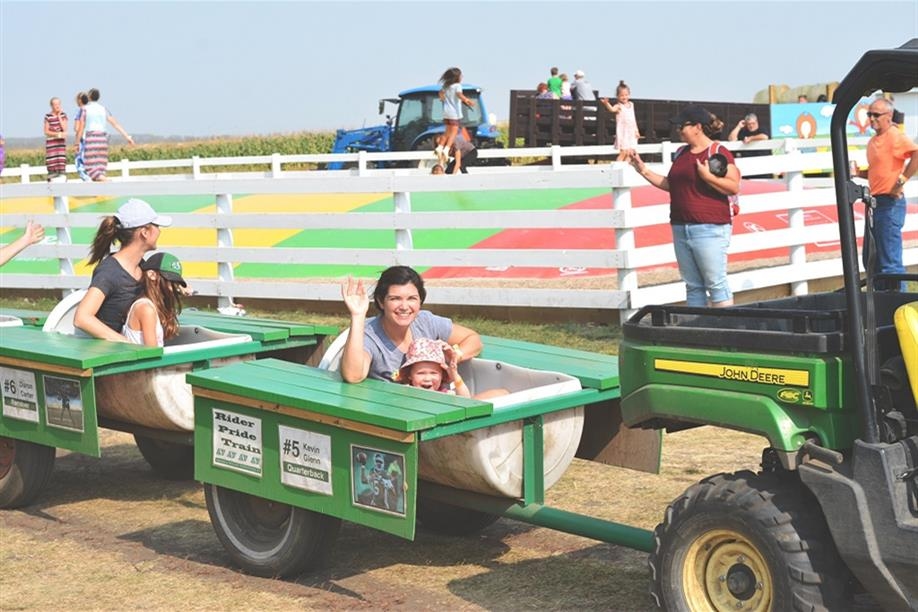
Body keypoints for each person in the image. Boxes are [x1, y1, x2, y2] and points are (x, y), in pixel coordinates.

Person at [625, 104, 740, 308]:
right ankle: (696, 332)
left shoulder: (717, 152)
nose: (678, 130)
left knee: (716, 284)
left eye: (682, 126)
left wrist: (707, 177)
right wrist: (642, 170)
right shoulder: (681, 153)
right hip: (681, 226)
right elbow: (672, 185)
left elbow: (733, 186)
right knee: (693, 285)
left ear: (697, 126)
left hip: (710, 227)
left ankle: (725, 331)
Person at [339, 265, 483, 384]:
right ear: (381, 302)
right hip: (394, 410)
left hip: (435, 403)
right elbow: (353, 376)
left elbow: (473, 339)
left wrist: (455, 356)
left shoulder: (425, 321)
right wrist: (358, 315)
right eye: (395, 299)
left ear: (420, 301)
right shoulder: (369, 334)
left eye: (412, 298)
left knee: (498, 393)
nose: (404, 306)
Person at [74, 199, 172, 341]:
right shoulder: (109, 272)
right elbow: (82, 318)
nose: (159, 231)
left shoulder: (140, 266)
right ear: (144, 232)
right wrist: (125, 343)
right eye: (156, 225)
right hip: (110, 355)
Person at [852, 97, 917, 283]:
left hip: (890, 203)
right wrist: (860, 173)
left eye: (876, 115)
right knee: (872, 260)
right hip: (876, 203)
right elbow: (877, 171)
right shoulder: (874, 141)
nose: (871, 118)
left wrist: (901, 180)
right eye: (869, 114)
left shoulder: (894, 136)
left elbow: (916, 154)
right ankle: (882, 303)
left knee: (890, 262)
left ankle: (898, 305)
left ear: (888, 116)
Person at [395, 337, 508, 400]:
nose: (427, 378)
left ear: (442, 375)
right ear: (410, 375)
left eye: (433, 373)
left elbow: (466, 400)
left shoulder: (445, 394)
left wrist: (455, 377)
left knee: (502, 393)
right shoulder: (407, 391)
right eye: (421, 373)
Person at [122, 252, 187, 347]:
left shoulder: (149, 306)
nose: (172, 288)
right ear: (152, 275)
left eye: (176, 284)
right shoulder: (145, 308)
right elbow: (152, 354)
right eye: (170, 282)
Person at [76, 88, 134, 182]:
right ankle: (101, 186)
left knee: (90, 165)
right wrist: (127, 136)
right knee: (100, 165)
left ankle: (106, 181)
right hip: (102, 138)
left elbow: (81, 127)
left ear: (89, 97)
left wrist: (77, 143)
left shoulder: (85, 109)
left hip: (91, 139)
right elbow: (115, 124)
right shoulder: (103, 109)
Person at [436, 68, 475, 167]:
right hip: (454, 113)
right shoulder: (457, 86)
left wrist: (443, 99)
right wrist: (467, 100)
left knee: (447, 132)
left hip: (446, 112)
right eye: (461, 75)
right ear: (457, 77)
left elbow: (440, 94)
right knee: (454, 132)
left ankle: (440, 147)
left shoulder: (446, 86)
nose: (462, 77)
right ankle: (447, 149)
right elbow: (459, 94)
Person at [600, 80, 640, 161]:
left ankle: (625, 168)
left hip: (631, 132)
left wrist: (636, 130)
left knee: (631, 152)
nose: (624, 97)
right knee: (624, 152)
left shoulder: (631, 105)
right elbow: (612, 109)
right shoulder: (619, 106)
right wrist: (606, 104)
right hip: (623, 132)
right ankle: (617, 166)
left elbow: (633, 119)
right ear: (617, 96)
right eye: (622, 95)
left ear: (629, 95)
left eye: (626, 95)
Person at [727, 112, 771, 177]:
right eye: (749, 124)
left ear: (757, 122)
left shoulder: (762, 129)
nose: (751, 126)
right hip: (747, 167)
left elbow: (764, 136)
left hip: (762, 166)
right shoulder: (744, 132)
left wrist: (751, 138)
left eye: (753, 123)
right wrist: (738, 126)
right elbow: (731, 139)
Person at [43, 97, 68, 181]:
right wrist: (57, 134)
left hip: (60, 144)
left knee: (61, 162)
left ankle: (62, 177)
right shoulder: (48, 116)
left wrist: (59, 116)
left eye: (58, 104)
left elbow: (65, 129)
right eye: (55, 104)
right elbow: (46, 131)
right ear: (51, 105)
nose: (57, 106)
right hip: (51, 143)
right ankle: (51, 177)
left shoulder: (63, 115)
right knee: (52, 162)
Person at [73, 91, 91, 181]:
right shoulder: (92, 110)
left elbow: (77, 128)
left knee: (80, 164)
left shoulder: (80, 111)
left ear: (79, 100)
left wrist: (76, 143)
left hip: (82, 139)